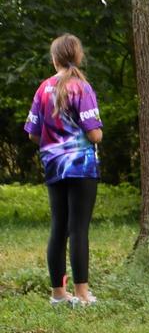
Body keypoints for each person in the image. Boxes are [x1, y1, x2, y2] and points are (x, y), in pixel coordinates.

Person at [24, 34, 103, 306]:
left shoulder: (43, 89)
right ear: (78, 57)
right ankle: (82, 294)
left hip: (53, 164)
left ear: (54, 58)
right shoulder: (82, 88)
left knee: (58, 227)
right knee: (78, 229)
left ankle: (58, 294)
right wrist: (97, 134)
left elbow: (33, 134)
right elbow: (93, 133)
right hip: (81, 166)